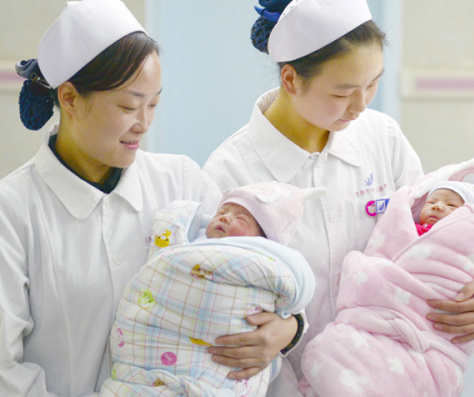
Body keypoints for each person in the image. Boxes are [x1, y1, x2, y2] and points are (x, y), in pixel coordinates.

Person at [203, 0, 474, 392]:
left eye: (373, 84)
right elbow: (216, 298)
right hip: (287, 382)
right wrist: (286, 330)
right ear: (290, 80)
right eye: (343, 92)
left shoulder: (381, 137)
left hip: (390, 378)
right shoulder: (231, 173)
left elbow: (435, 236)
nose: (362, 105)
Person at [0, 1, 294, 395]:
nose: (144, 123)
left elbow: (260, 268)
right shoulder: (13, 211)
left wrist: (288, 328)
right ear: (69, 99)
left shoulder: (182, 182)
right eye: (128, 106)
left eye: (153, 103)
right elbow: (6, 370)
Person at [100, 181, 321, 396]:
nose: (225, 217)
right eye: (222, 211)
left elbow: (292, 301)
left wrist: (291, 324)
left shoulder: (267, 263)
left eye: (240, 218)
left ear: (263, 239)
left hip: (216, 366)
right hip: (153, 350)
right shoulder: (188, 242)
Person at [299, 168, 474, 396]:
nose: (437, 206)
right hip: (376, 321)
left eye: (452, 206)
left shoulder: (470, 240)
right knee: (332, 353)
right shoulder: (406, 229)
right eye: (432, 201)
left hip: (431, 338)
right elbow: (382, 251)